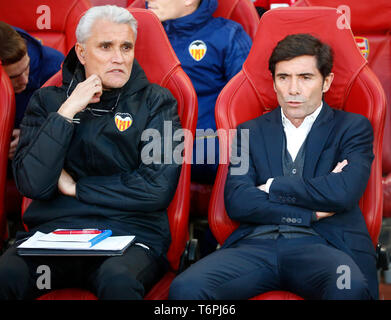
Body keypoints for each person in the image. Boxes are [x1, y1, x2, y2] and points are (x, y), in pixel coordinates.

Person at [169, 33, 378, 300]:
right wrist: (310, 212)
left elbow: (343, 192)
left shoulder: (352, 128)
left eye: (305, 77)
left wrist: (271, 186)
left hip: (326, 246)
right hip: (257, 245)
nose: (293, 89)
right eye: (283, 78)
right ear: (274, 82)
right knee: (186, 288)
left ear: (326, 82)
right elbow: (238, 200)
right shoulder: (249, 131)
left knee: (347, 286)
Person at [0, 5, 182, 300]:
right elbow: (33, 183)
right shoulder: (48, 101)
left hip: (129, 235)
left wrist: (77, 188)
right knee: (5, 275)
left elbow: (156, 189)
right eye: (106, 47)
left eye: (126, 47)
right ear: (82, 53)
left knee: (118, 282)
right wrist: (67, 111)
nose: (118, 58)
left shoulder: (157, 103)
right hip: (54, 236)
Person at [146, 0, 252, 184]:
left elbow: (246, 100)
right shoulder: (139, 34)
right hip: (151, 140)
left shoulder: (228, 35)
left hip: (206, 145)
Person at [0, 21, 64, 159]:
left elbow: (72, 125)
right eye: (14, 77)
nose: (25, 80)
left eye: (27, 67)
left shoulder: (56, 69)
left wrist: (30, 136)